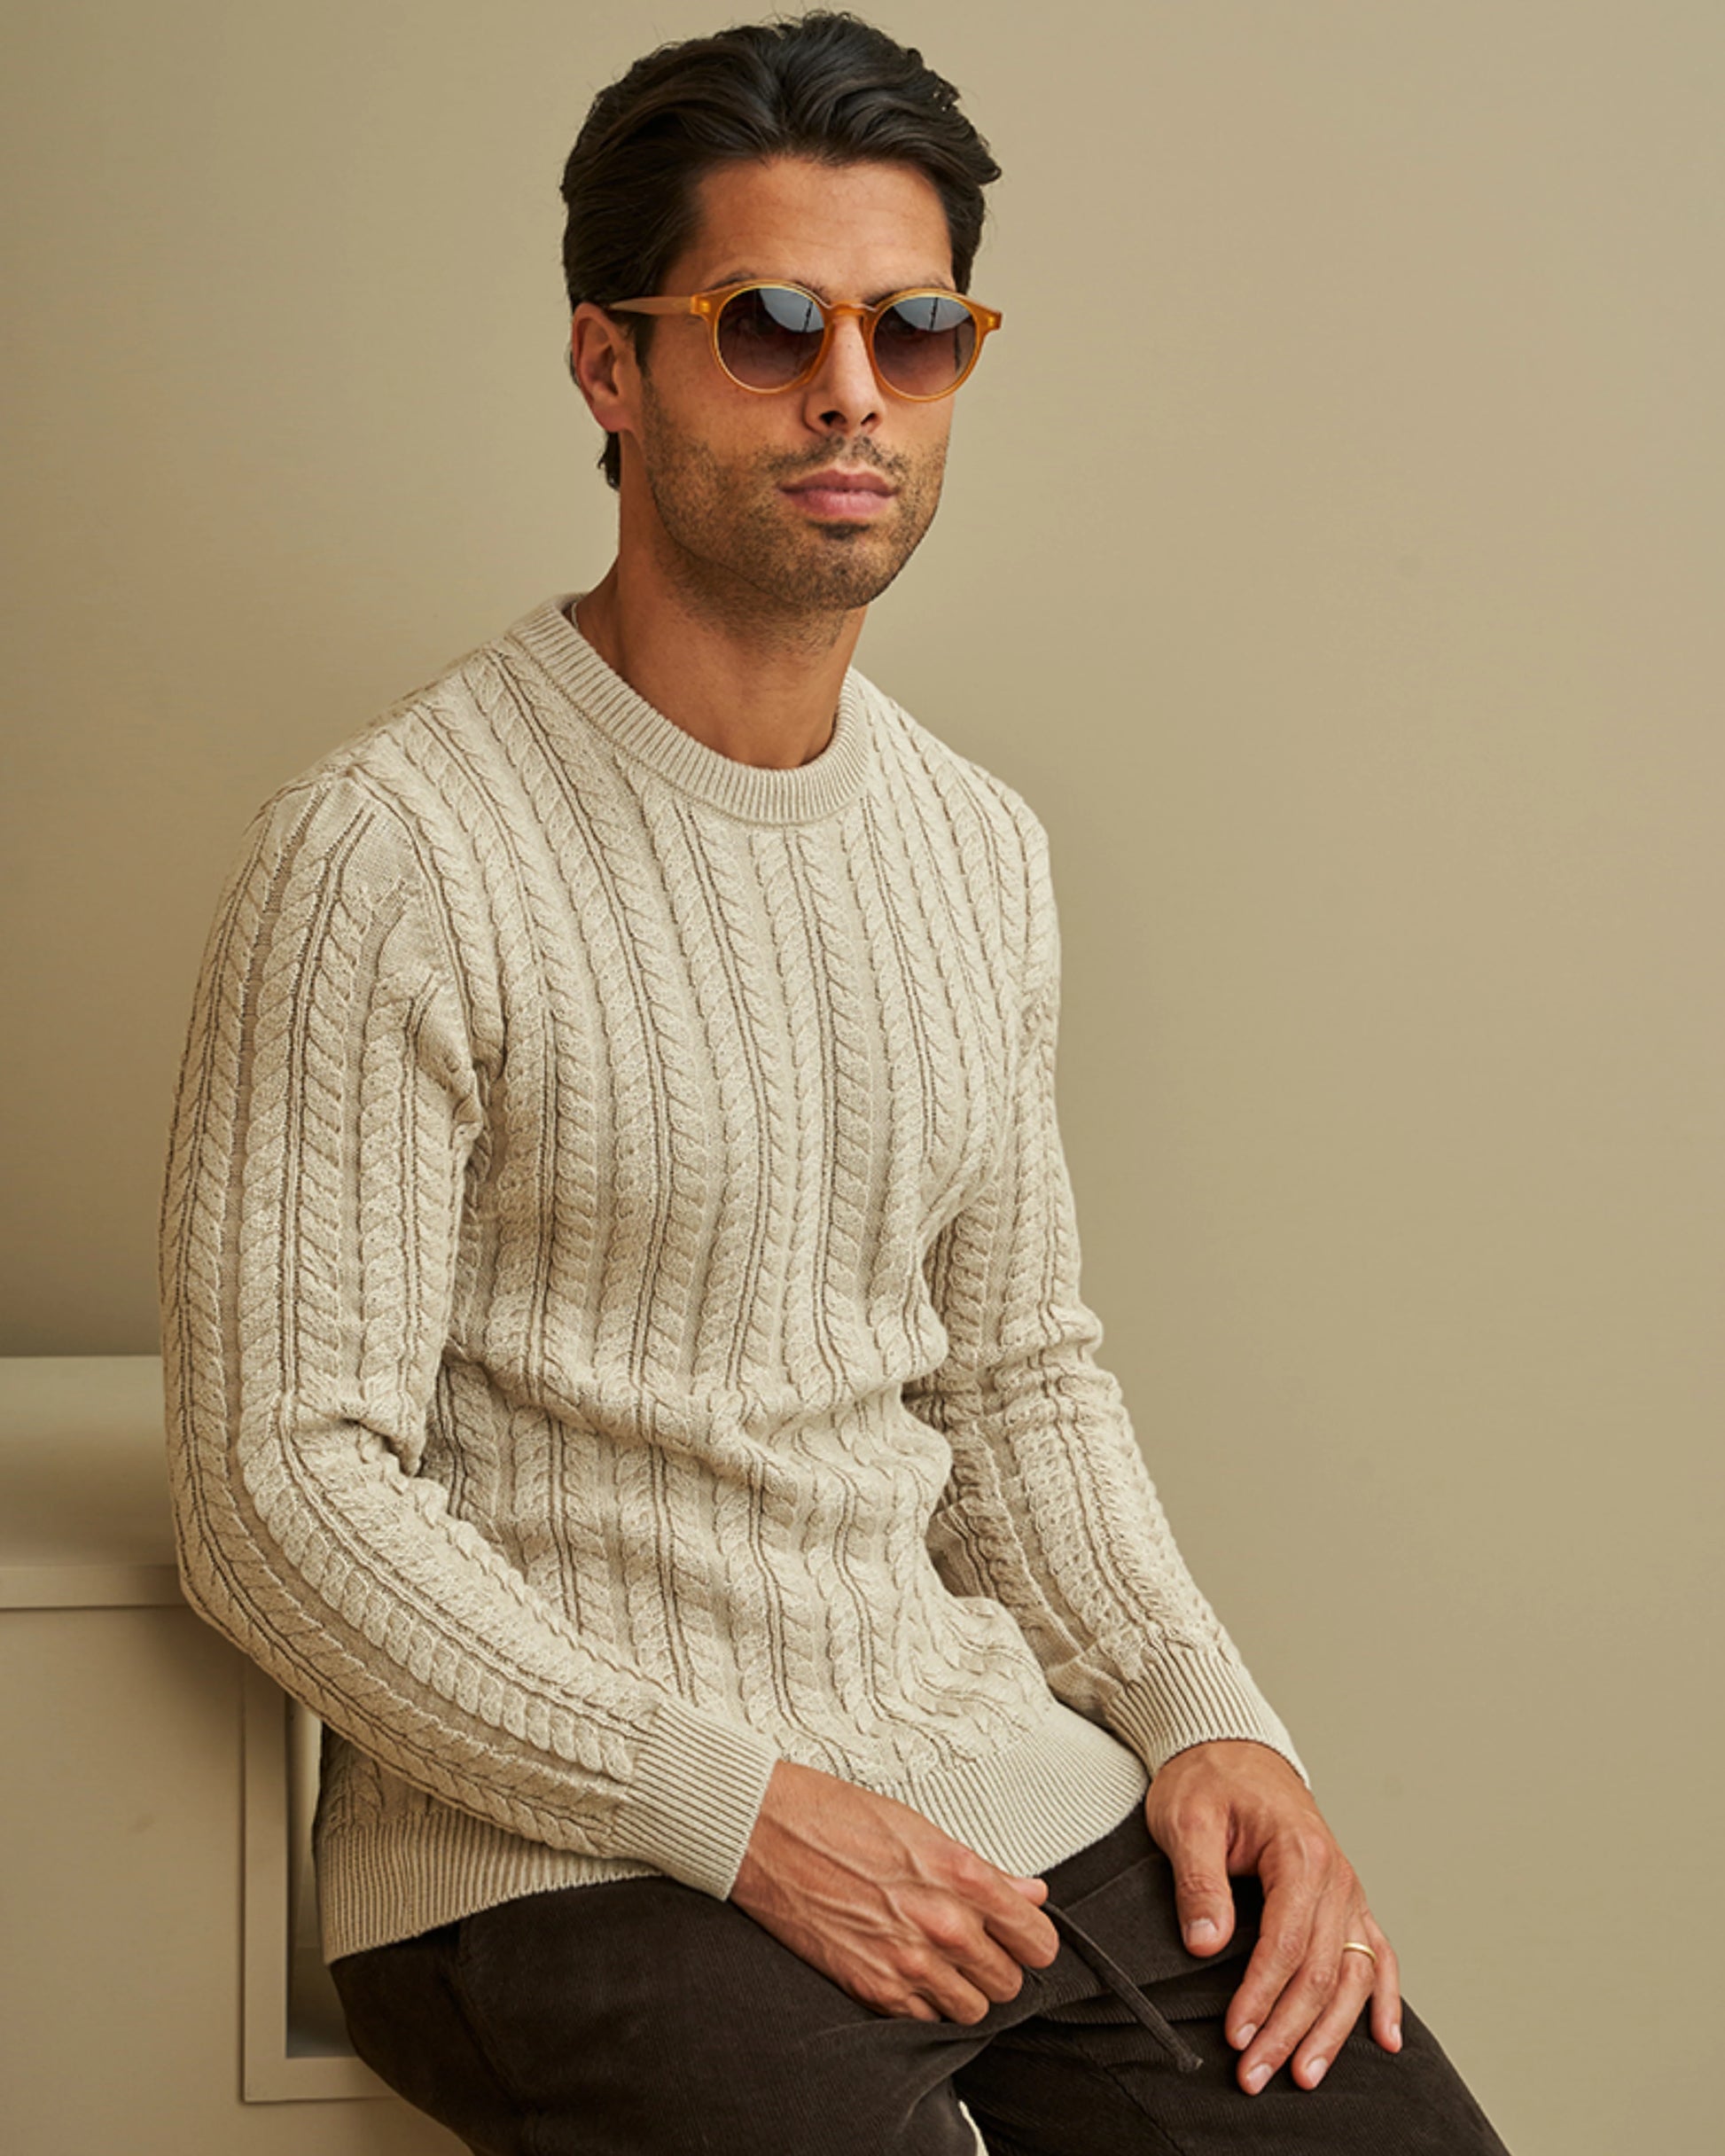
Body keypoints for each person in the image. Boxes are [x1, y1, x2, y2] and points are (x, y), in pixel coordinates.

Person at [158, 12, 1510, 2152]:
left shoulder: (976, 849)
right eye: (770, 323)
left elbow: (1017, 1382)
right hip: (558, 1851)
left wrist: (1208, 1719)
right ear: (609, 367)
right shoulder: (389, 851)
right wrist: (737, 1804)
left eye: (916, 328)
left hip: (984, 1784)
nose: (852, 389)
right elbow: (280, 1491)